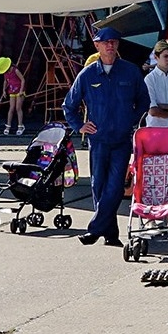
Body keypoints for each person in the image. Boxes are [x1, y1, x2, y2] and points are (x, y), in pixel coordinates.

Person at [62, 26, 149, 247]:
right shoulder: (88, 74)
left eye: (114, 41)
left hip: (121, 139)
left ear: (118, 45)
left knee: (116, 185)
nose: (110, 45)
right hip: (98, 139)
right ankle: (111, 234)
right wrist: (79, 126)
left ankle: (94, 230)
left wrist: (131, 120)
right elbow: (69, 105)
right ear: (97, 45)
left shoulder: (130, 72)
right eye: (105, 42)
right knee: (98, 184)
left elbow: (144, 102)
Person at [0, 56, 26, 136]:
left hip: (19, 91)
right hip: (11, 91)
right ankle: (8, 126)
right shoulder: (5, 73)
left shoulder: (15, 70)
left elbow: (23, 80)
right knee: (11, 108)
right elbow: (5, 81)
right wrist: (4, 91)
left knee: (18, 108)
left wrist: (21, 90)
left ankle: (20, 126)